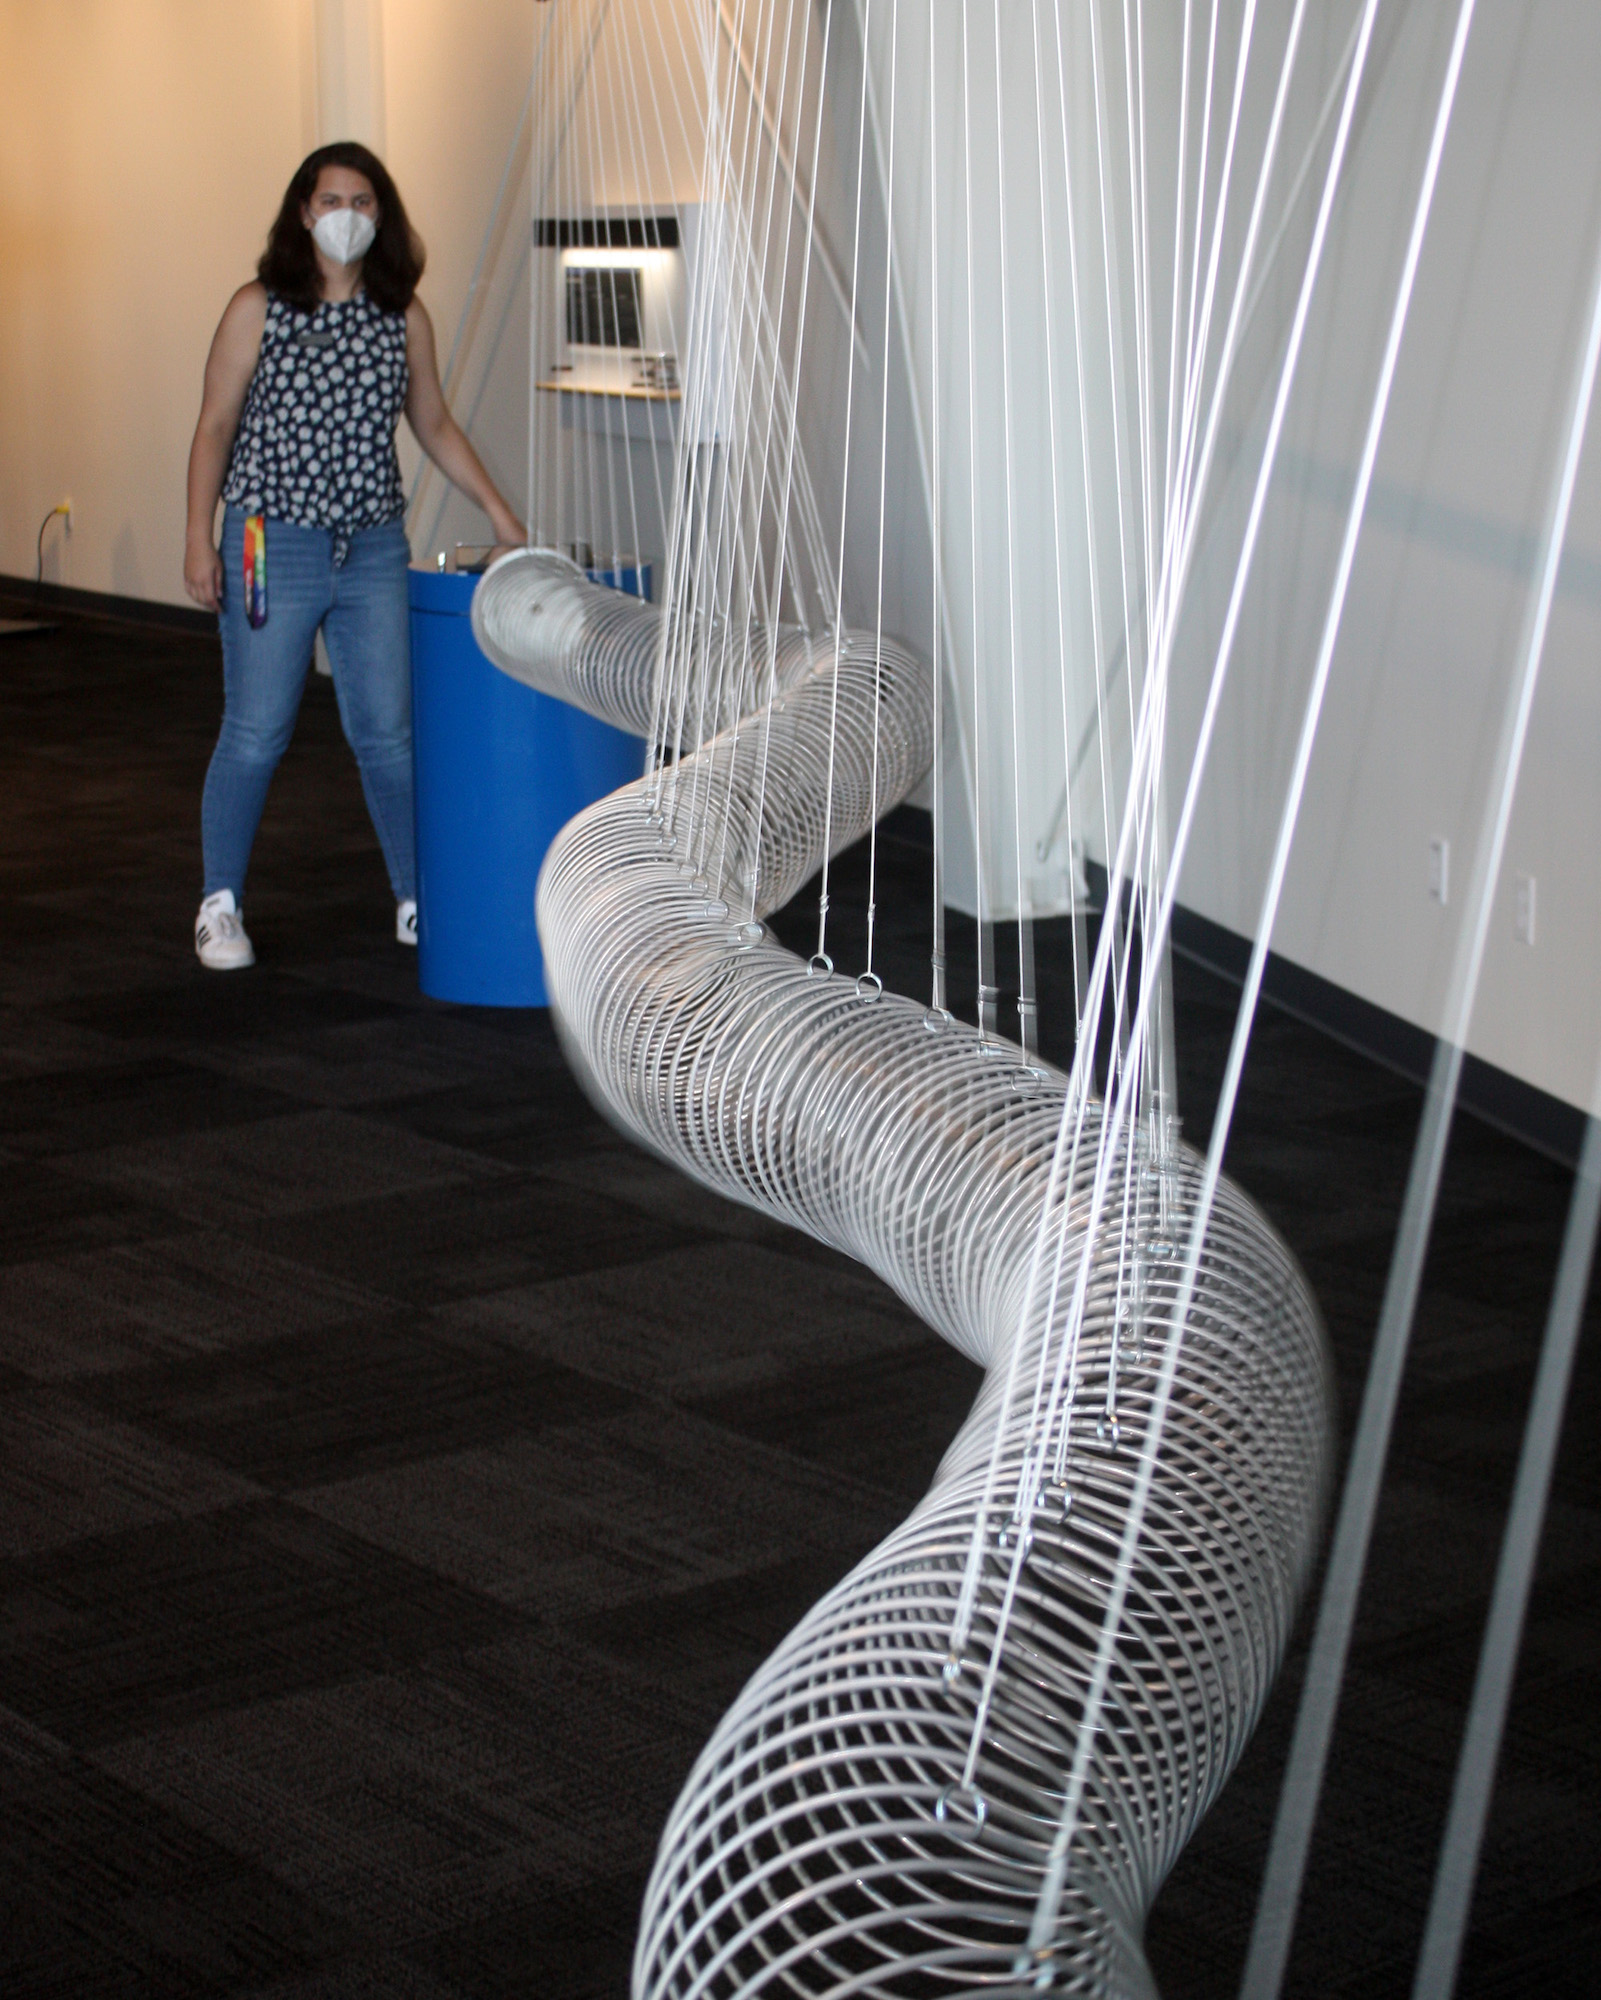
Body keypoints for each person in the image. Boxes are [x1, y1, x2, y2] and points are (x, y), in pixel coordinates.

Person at [183, 141, 524, 970]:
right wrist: (198, 536)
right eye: (330, 200)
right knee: (258, 728)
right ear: (303, 211)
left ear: (384, 214)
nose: (346, 216)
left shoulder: (401, 315)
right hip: (269, 541)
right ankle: (218, 902)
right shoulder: (257, 307)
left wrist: (500, 515)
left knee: (387, 733)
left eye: (363, 202)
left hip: (371, 546)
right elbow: (215, 427)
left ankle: (416, 896)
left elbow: (433, 423)